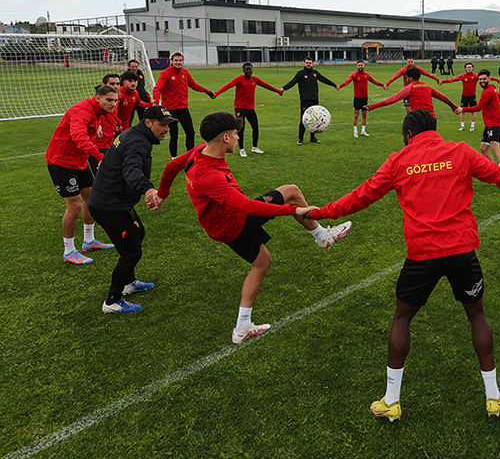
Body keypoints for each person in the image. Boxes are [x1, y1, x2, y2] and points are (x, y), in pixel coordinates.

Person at [304, 110, 500, 421]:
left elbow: (361, 196)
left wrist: (321, 212)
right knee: (476, 314)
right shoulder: (460, 151)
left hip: (422, 256)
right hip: (462, 251)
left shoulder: (398, 160)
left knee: (402, 319)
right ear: (434, 130)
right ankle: (492, 397)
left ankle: (391, 400)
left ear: (408, 135)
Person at [157, 112, 352, 344]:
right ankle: (322, 236)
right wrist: (294, 210)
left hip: (219, 226)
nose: (238, 137)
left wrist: (162, 195)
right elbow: (247, 207)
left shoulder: (199, 151)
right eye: (236, 134)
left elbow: (171, 166)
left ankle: (242, 328)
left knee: (262, 262)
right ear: (226, 139)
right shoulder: (209, 176)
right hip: (233, 223)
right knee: (291, 191)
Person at [88, 106, 175, 313]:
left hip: (115, 201)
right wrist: (147, 188)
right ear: (148, 123)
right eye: (162, 125)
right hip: (108, 205)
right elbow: (131, 170)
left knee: (138, 234)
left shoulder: (136, 135)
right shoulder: (137, 141)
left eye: (168, 125)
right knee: (131, 252)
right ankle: (112, 301)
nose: (166, 130)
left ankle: (128, 283)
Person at [46, 84, 120, 264]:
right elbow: (78, 136)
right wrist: (99, 156)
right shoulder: (82, 110)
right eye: (109, 100)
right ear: (97, 98)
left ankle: (89, 241)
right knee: (75, 205)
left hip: (79, 162)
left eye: (115, 100)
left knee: (91, 199)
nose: (113, 104)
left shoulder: (100, 113)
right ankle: (69, 251)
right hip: (61, 162)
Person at [152, 52, 216, 157]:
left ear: (183, 61)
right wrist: (155, 102)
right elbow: (158, 88)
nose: (178, 62)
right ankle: (174, 158)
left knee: (191, 133)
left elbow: (194, 85)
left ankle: (190, 156)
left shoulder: (185, 72)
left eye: (180, 60)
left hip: (183, 108)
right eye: (176, 60)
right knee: (174, 135)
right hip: (171, 110)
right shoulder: (165, 73)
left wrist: (207, 92)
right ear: (171, 61)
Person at [214, 63, 283, 157]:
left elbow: (266, 85)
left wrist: (278, 91)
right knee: (241, 128)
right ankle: (242, 149)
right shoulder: (239, 79)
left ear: (252, 70)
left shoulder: (255, 80)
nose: (248, 71)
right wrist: (217, 93)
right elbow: (228, 85)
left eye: (250, 69)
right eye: (246, 70)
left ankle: (255, 147)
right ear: (243, 71)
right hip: (240, 107)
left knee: (255, 127)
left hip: (250, 108)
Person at [456, 69, 500, 166]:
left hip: (495, 123)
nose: (482, 81)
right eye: (480, 79)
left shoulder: (488, 91)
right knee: (483, 148)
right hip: (489, 123)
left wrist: (463, 109)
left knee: (495, 147)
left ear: (489, 79)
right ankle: (494, 167)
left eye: (484, 79)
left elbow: (478, 108)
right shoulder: (491, 88)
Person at [282, 56, 338, 146]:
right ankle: (300, 138)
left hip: (314, 99)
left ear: (312, 64)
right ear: (304, 64)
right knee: (304, 119)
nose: (308, 64)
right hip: (305, 100)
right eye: (307, 63)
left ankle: (313, 138)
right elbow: (292, 82)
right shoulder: (300, 73)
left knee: (315, 120)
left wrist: (334, 85)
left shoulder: (315, 73)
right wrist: (284, 88)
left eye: (310, 63)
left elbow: (324, 79)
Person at [367, 67, 457, 118]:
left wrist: (373, 106)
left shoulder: (409, 88)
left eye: (407, 77)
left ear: (410, 78)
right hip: (432, 118)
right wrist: (453, 107)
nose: (406, 79)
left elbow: (392, 99)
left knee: (412, 142)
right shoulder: (427, 86)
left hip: (419, 119)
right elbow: (443, 98)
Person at [338, 60, 386, 138]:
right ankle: (355, 131)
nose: (360, 67)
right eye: (359, 65)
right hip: (357, 98)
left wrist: (382, 85)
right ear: (357, 66)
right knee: (356, 114)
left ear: (364, 66)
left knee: (364, 114)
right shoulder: (354, 75)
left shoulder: (367, 75)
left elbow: (374, 81)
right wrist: (340, 86)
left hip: (365, 98)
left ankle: (363, 131)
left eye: (361, 65)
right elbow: (347, 82)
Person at [90, 74, 122, 174]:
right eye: (112, 83)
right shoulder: (97, 100)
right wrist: (97, 125)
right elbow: (91, 114)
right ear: (105, 85)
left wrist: (117, 122)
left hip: (110, 141)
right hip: (98, 143)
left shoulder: (115, 99)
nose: (116, 86)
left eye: (117, 84)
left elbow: (112, 115)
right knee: (101, 176)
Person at [441, 62, 482, 131]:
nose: (469, 68)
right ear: (465, 69)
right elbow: (453, 79)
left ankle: (472, 126)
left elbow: (487, 78)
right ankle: (462, 126)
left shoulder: (476, 76)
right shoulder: (463, 76)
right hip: (464, 96)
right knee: (462, 111)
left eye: (470, 67)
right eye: (467, 67)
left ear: (472, 68)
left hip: (472, 96)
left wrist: (498, 80)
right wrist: (443, 81)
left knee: (473, 111)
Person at [127, 59, 151, 123]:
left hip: (141, 99)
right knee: (129, 119)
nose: (135, 68)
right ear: (129, 67)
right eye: (133, 67)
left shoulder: (141, 75)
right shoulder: (125, 76)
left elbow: (142, 86)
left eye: (136, 66)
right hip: (130, 100)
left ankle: (143, 132)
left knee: (143, 118)